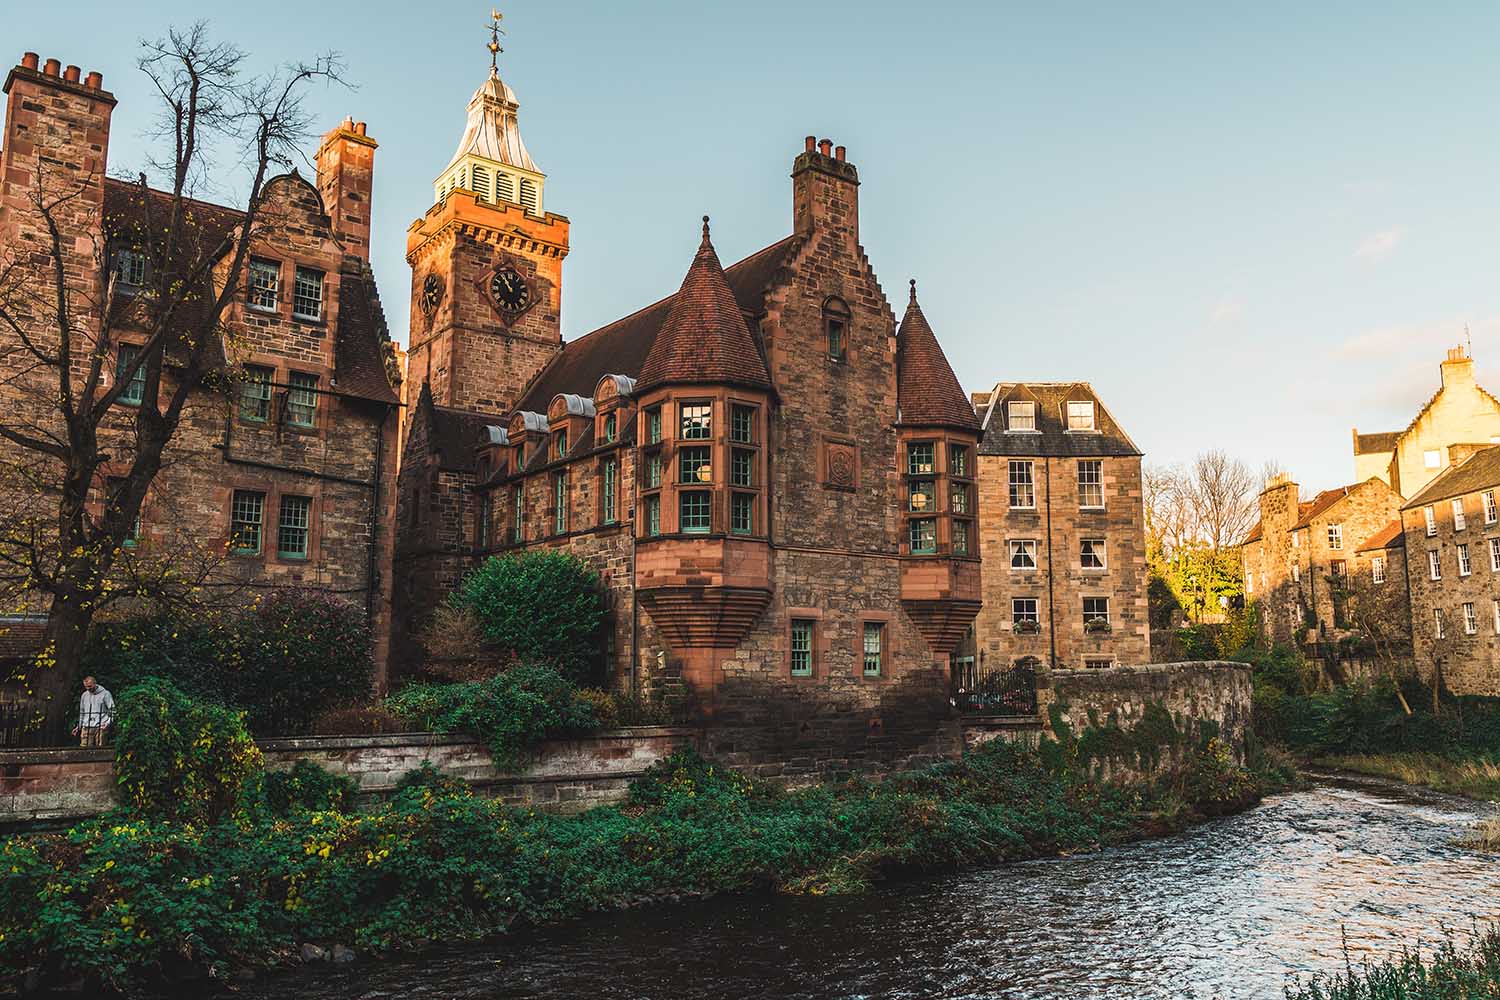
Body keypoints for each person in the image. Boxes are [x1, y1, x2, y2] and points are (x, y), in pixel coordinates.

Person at [71, 676, 114, 748]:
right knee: (84, 748)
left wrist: (108, 722)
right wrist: (79, 726)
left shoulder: (105, 694)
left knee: (100, 748)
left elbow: (112, 709)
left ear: (95, 683)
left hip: (101, 725)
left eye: (90, 686)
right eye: (86, 687)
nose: (88, 688)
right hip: (87, 725)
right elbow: (82, 712)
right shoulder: (84, 695)